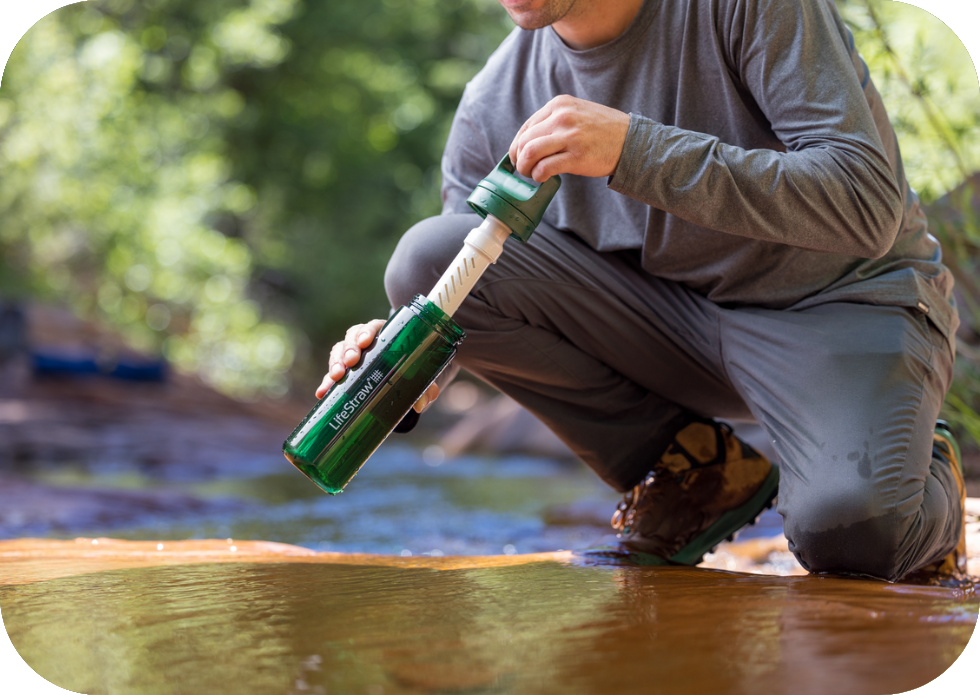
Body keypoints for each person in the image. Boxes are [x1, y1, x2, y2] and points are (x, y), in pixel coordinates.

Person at [318, 0, 967, 581]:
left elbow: (867, 205)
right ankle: (695, 471)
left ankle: (924, 467)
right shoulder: (494, 103)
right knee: (428, 256)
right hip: (675, 333)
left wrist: (637, 151)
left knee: (853, 538)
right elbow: (465, 283)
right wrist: (405, 362)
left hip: (839, 307)